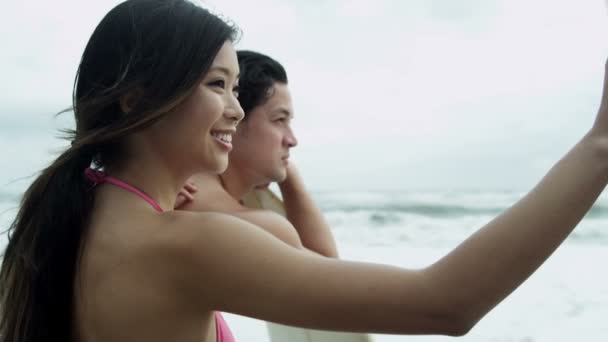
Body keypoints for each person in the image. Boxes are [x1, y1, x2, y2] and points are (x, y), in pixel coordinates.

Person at [2, 1, 608, 341]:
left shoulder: (87, 205)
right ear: (135, 98)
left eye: (238, 88)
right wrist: (598, 149)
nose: (236, 110)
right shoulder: (180, 242)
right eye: (218, 85)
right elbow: (443, 304)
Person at [181, 50, 338, 258]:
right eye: (279, 120)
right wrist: (290, 176)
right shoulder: (258, 226)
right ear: (234, 121)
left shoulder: (180, 188)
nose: (292, 140)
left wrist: (287, 171)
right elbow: (329, 268)